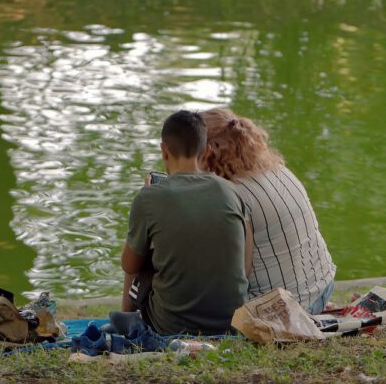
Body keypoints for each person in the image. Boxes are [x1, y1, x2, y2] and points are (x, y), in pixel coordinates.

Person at [120, 110, 252, 335]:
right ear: (207, 150)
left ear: (164, 150)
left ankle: (125, 322)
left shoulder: (149, 198)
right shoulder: (232, 191)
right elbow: (246, 266)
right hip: (230, 321)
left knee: (138, 250)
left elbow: (129, 266)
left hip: (171, 325)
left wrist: (145, 200)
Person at [200, 108, 336, 314]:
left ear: (208, 151)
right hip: (323, 284)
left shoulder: (232, 194)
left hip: (289, 308)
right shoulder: (277, 169)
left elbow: (233, 274)